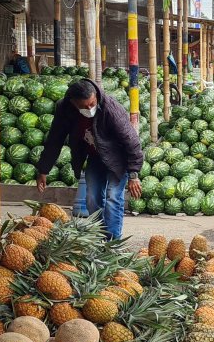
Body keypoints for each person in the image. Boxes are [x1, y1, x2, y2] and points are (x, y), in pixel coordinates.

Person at [35, 78, 143, 239]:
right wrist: (43, 169)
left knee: (113, 198)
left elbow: (132, 141)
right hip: (95, 156)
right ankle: (98, 238)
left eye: (92, 104)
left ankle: (112, 243)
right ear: (73, 102)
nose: (90, 108)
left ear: (96, 96)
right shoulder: (64, 109)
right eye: (85, 106)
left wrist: (134, 174)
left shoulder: (110, 108)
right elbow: (54, 139)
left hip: (118, 159)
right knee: (92, 198)